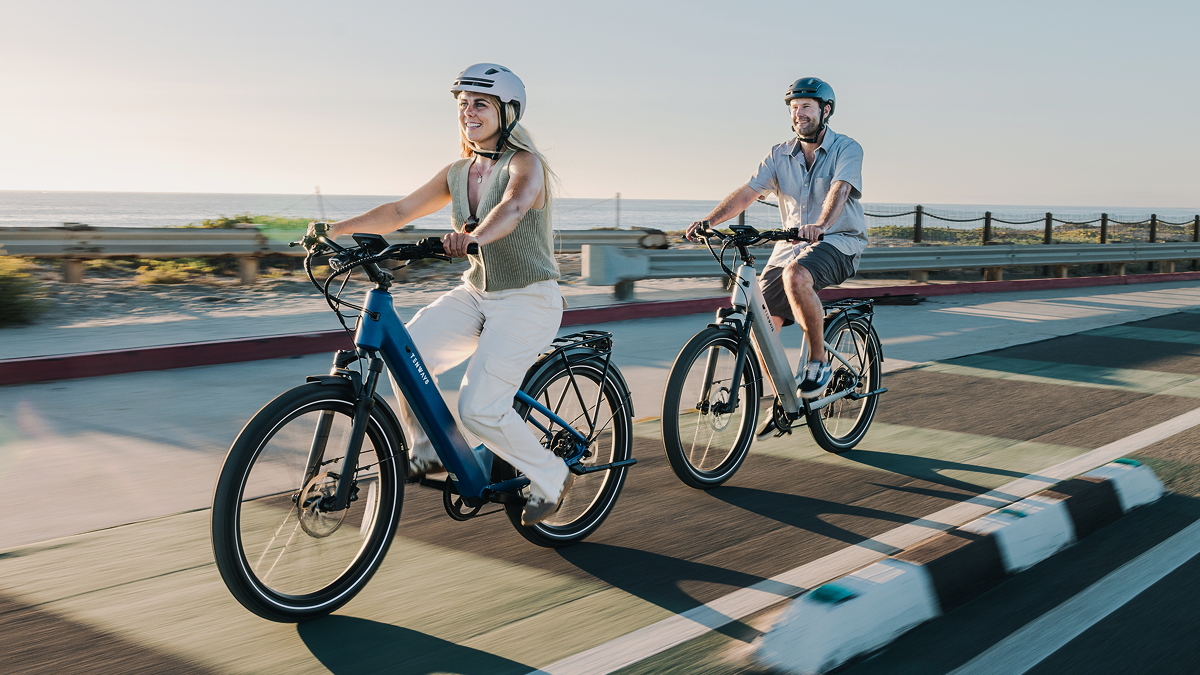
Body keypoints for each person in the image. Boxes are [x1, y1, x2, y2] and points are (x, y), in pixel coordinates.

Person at [307, 63, 572, 525]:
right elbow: (400, 210)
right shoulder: (457, 171)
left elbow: (512, 207)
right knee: (405, 353)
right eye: (463, 104)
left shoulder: (524, 163)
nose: (468, 112)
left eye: (480, 104)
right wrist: (335, 230)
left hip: (529, 299)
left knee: (478, 407)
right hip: (478, 293)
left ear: (508, 112)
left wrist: (474, 237)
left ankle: (551, 475)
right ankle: (428, 451)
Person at [686, 76, 866, 411]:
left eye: (807, 107)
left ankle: (818, 362)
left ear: (826, 111)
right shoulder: (779, 154)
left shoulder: (847, 148)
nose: (799, 113)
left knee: (796, 275)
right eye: (794, 107)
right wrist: (709, 222)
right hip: (790, 246)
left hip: (838, 242)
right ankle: (786, 401)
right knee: (760, 321)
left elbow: (840, 189)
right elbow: (748, 192)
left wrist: (821, 225)